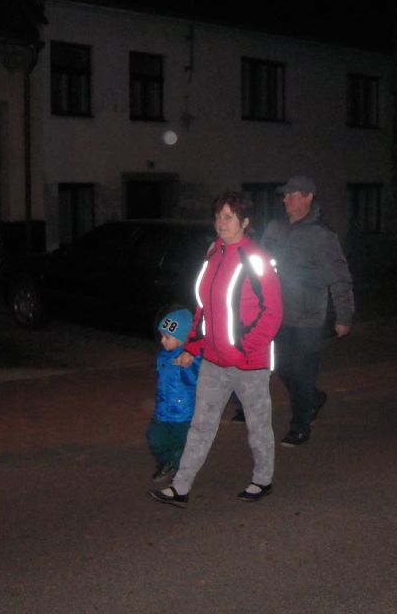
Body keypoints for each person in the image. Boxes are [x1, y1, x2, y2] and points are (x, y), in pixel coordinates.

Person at [149, 191, 282, 507]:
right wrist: (195, 345)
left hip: (250, 363)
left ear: (245, 222)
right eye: (218, 216)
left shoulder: (256, 259)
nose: (221, 222)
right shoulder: (214, 252)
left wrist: (242, 348)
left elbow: (273, 313)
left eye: (229, 217)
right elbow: (203, 307)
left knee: (258, 426)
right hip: (213, 359)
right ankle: (180, 487)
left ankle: (262, 479)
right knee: (201, 425)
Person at [261, 175, 354, 447]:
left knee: (302, 373)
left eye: (292, 195)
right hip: (279, 314)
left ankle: (300, 426)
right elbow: (260, 267)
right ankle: (314, 398)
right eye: (285, 195)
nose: (286, 200)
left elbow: (339, 278)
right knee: (283, 368)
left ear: (309, 197)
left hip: (308, 319)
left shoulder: (322, 236)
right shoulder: (275, 229)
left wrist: (344, 316)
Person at [146, 307, 201, 483]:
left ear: (182, 338)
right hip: (162, 411)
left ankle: (181, 474)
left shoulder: (192, 359)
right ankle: (166, 461)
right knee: (155, 438)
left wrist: (189, 365)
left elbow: (196, 381)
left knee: (180, 446)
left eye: (167, 337)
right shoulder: (163, 355)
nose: (162, 340)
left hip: (183, 414)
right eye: (162, 336)